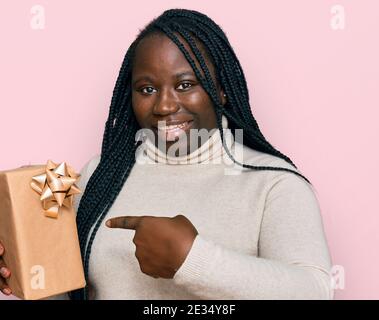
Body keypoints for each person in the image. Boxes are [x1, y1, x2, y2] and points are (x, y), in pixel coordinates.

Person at [0, 8, 333, 300]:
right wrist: (25, 268)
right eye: (147, 89)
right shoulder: (99, 174)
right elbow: (70, 291)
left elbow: (315, 290)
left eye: (185, 85)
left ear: (220, 90)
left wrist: (193, 260)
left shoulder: (274, 184)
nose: (164, 105)